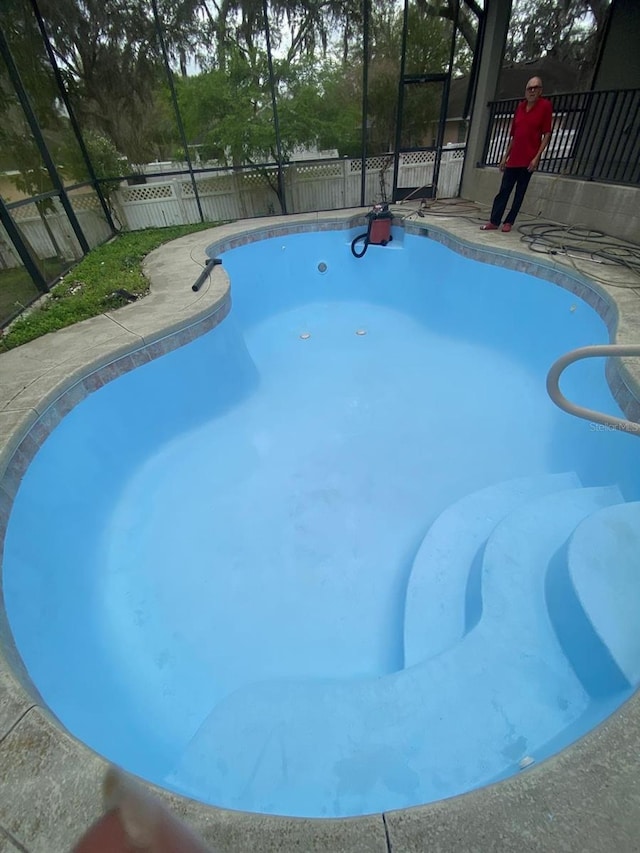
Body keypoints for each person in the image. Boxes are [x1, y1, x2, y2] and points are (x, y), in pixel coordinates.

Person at [481, 76, 552, 233]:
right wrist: (505, 157)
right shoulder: (520, 108)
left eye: (535, 88)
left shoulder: (545, 107)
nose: (532, 91)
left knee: (519, 192)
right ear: (525, 91)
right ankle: (494, 220)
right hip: (514, 158)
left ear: (540, 90)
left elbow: (547, 134)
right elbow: (515, 135)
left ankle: (509, 222)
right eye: (529, 88)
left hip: (528, 159)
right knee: (504, 190)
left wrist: (536, 157)